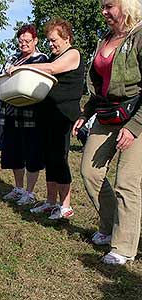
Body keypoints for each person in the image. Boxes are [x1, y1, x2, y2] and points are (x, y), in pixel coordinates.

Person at [72, 0, 142, 265]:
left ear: (126, 6)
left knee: (127, 181)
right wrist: (85, 113)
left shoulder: (140, 36)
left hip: (137, 115)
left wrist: (134, 128)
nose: (103, 12)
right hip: (107, 113)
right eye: (102, 6)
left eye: (109, 6)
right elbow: (100, 85)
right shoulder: (105, 39)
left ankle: (123, 247)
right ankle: (112, 225)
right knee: (89, 172)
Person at [11, 19, 85, 219]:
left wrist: (21, 69)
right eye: (49, 41)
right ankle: (51, 201)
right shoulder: (54, 56)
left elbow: (52, 69)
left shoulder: (73, 54)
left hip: (63, 115)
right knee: (50, 160)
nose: (51, 44)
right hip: (47, 114)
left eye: (54, 40)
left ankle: (66, 205)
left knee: (60, 159)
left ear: (67, 37)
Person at [0, 24, 48, 205]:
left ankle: (30, 191)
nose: (24, 44)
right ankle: (18, 188)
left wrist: (16, 72)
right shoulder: (12, 58)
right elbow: (3, 77)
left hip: (31, 114)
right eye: (21, 41)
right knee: (14, 152)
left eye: (27, 41)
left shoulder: (41, 58)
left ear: (35, 41)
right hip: (11, 111)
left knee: (32, 152)